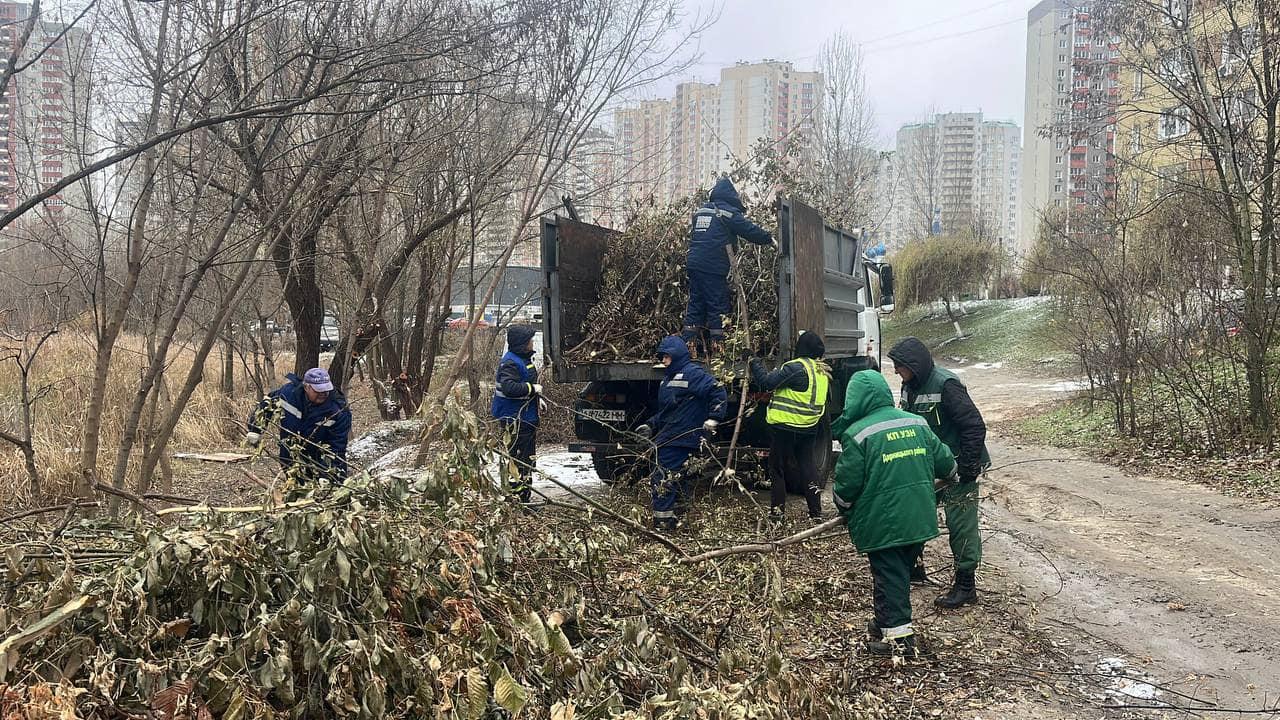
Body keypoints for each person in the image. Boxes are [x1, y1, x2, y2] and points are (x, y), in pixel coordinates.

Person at [831, 370, 958, 656]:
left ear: (855, 399)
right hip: (918, 519)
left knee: (890, 577)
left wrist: (843, 507)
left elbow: (846, 486)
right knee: (896, 574)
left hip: (884, 524)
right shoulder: (917, 422)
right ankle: (885, 621)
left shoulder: (858, 434)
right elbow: (946, 464)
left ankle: (900, 642)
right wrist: (951, 474)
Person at [887, 337, 990, 609]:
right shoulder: (908, 387)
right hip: (932, 468)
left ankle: (966, 585)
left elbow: (974, 426)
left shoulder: (947, 385)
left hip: (960, 466)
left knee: (961, 525)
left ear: (914, 364)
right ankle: (916, 568)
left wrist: (968, 467)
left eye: (899, 366)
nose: (896, 370)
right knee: (916, 514)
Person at [636, 335, 727, 532]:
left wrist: (713, 418)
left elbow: (718, 391)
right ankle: (679, 521)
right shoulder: (667, 379)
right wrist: (650, 425)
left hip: (682, 438)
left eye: (666, 357)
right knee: (678, 479)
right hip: (671, 436)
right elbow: (668, 412)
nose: (663, 361)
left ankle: (663, 524)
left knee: (662, 478)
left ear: (675, 355)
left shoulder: (692, 373)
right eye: (661, 357)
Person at [684, 176, 777, 351]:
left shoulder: (700, 212)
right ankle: (719, 348)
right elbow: (748, 230)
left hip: (694, 264)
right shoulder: (726, 212)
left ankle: (689, 346)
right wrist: (769, 238)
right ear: (730, 197)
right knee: (717, 304)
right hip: (713, 267)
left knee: (696, 303)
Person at [749, 330, 831, 522]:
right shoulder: (820, 371)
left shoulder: (796, 368)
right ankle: (816, 514)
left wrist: (753, 361)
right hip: (809, 426)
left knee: (777, 469)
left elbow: (767, 382)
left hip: (786, 427)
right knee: (808, 467)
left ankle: (777, 516)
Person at [246, 367, 352, 483]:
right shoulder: (289, 394)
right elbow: (267, 404)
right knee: (296, 491)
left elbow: (336, 447)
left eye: (326, 390)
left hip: (318, 461)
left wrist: (327, 474)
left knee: (327, 496)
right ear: (306, 387)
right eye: (318, 390)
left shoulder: (338, 410)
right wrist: (255, 428)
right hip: (290, 457)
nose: (323, 394)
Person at [491, 325, 544, 504]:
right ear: (522, 343)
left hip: (525, 417)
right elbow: (509, 387)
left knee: (527, 460)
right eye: (529, 340)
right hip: (515, 419)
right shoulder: (510, 362)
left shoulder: (522, 359)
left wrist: (537, 398)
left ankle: (524, 497)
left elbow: (526, 381)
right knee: (518, 460)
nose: (532, 343)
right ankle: (517, 499)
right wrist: (532, 389)